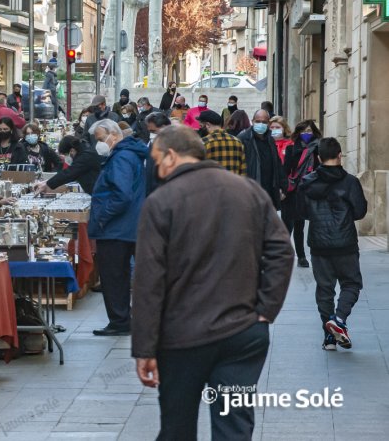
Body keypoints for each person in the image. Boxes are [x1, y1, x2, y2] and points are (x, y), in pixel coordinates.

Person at [133, 125, 293, 440]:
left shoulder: (162, 202)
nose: (157, 168)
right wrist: (265, 310)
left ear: (172, 156)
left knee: (177, 427)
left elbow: (149, 280)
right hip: (243, 331)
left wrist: (144, 348)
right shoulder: (249, 190)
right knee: (234, 428)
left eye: (157, 159)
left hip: (182, 337)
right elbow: (282, 251)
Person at [301, 137, 368, 351]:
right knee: (351, 283)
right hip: (345, 242)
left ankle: (329, 337)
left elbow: (302, 212)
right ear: (340, 155)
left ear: (319, 157)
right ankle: (339, 320)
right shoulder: (350, 182)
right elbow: (359, 211)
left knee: (325, 288)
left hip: (318, 243)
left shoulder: (308, 181)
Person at [88, 120, 149, 336]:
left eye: (100, 138)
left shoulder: (121, 157)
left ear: (113, 135)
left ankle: (119, 321)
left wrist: (103, 216)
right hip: (125, 226)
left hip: (115, 228)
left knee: (113, 277)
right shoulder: (129, 154)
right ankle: (123, 319)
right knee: (120, 275)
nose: (99, 143)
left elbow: (121, 195)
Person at [283, 119, 322, 268]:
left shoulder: (318, 148)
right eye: (304, 131)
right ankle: (283, 255)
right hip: (292, 190)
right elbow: (286, 169)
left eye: (309, 131)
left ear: (314, 132)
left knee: (300, 225)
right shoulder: (292, 148)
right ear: (298, 132)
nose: (306, 134)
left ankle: (301, 256)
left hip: (307, 190)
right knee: (287, 225)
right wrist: (283, 188)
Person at [237, 109, 286, 209]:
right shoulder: (244, 138)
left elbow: (277, 163)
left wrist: (282, 186)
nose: (261, 124)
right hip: (251, 188)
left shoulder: (270, 139)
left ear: (268, 123)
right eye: (258, 121)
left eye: (264, 122)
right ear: (252, 121)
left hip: (269, 189)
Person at [34, 135, 102, 194]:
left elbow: (70, 173)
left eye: (66, 155)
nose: (65, 158)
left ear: (72, 150)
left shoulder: (85, 156)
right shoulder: (85, 150)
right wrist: (46, 182)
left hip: (99, 192)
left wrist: (47, 184)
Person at [200, 110, 245, 175]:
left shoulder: (203, 142)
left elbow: (199, 171)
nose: (200, 128)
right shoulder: (237, 141)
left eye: (201, 126)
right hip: (234, 183)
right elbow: (243, 170)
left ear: (207, 125)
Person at [144, 112, 171, 195]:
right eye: (149, 131)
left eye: (153, 131)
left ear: (164, 128)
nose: (151, 135)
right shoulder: (151, 143)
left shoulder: (174, 146)